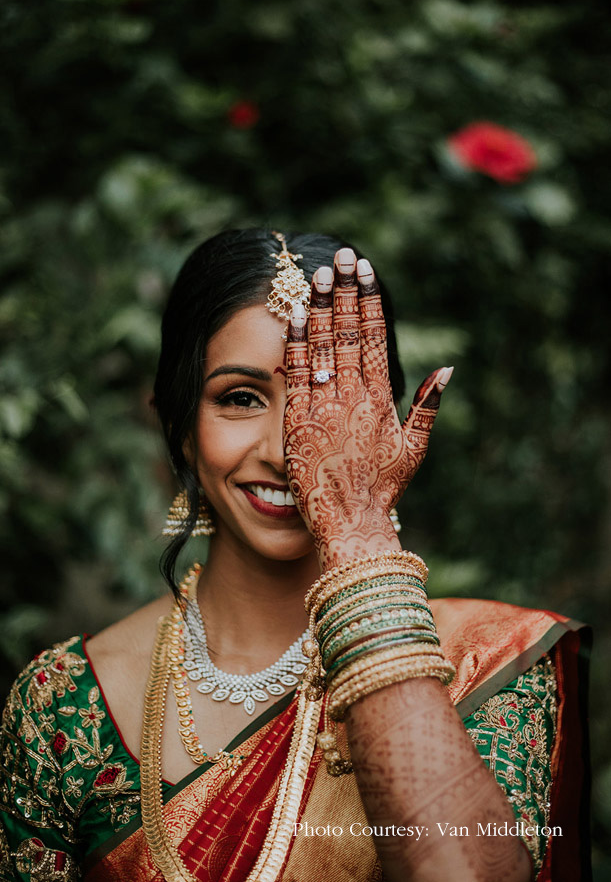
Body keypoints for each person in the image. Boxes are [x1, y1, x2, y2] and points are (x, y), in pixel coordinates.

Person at [0, 229, 590, 882]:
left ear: (383, 427)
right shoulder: (64, 702)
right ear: (178, 427)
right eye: (240, 398)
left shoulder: (487, 664)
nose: (290, 450)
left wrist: (359, 533)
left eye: (327, 399)